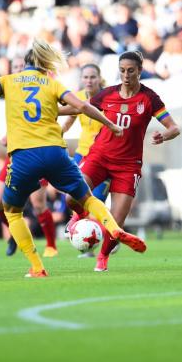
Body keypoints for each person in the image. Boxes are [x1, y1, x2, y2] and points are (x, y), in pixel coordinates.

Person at [0, 38, 146, 278]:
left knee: (12, 211)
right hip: (55, 153)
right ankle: (113, 228)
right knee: (87, 198)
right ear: (44, 64)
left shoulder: (8, 81)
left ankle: (37, 267)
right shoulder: (52, 84)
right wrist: (110, 124)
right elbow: (82, 106)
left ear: (26, 64)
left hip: (23, 156)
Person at [66, 51, 180, 272]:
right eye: (122, 70)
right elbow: (78, 108)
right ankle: (80, 216)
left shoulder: (149, 98)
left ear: (139, 70)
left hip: (128, 166)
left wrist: (164, 135)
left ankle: (102, 258)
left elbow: (174, 127)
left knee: (116, 221)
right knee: (71, 197)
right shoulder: (106, 94)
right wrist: (50, 111)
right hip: (99, 156)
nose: (126, 75)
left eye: (130, 70)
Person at [62, 63, 111, 258]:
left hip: (104, 155)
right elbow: (68, 121)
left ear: (99, 78)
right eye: (86, 77)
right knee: (78, 196)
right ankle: (82, 234)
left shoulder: (109, 98)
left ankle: (106, 236)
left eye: (93, 77)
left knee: (96, 201)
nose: (89, 80)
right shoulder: (78, 97)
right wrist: (56, 133)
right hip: (82, 154)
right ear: (82, 79)